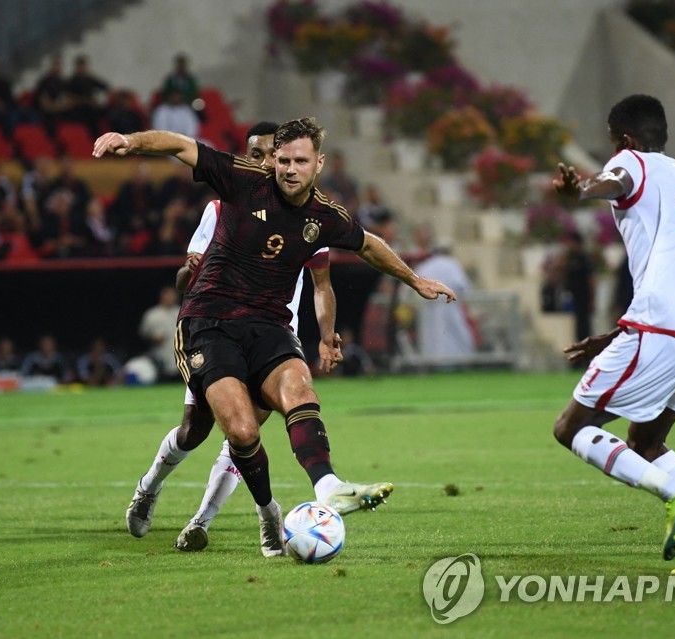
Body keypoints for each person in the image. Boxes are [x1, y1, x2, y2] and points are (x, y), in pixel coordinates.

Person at [94, 117, 455, 556]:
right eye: (282, 159)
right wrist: (130, 141)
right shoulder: (242, 181)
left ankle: (328, 486)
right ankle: (259, 510)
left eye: (299, 161)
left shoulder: (323, 216)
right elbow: (181, 145)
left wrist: (413, 279)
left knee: (299, 388)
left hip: (269, 326)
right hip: (210, 322)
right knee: (230, 431)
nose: (287, 168)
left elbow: (367, 244)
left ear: (318, 163)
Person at [125, 121, 338, 553]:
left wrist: (327, 336)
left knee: (244, 431)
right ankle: (149, 487)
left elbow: (321, 284)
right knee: (194, 429)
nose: (260, 163)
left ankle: (210, 519)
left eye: (267, 155)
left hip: (274, 335)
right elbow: (188, 273)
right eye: (255, 155)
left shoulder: (311, 216)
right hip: (217, 328)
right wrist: (193, 271)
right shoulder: (225, 206)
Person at [552, 94, 675, 575]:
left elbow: (614, 180)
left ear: (625, 141)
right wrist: (616, 335)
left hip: (662, 325)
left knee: (571, 428)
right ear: (666, 138)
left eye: (616, 144)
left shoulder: (630, 163)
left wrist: (579, 189)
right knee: (647, 443)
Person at [412, 235, 477, 363]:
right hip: (450, 308)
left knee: (432, 338)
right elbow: (464, 288)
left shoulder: (425, 265)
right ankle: (459, 363)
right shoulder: (452, 264)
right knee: (456, 338)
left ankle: (433, 364)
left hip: (429, 309)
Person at [138, 286, 181, 380]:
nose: (170, 297)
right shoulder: (152, 314)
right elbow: (142, 335)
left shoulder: (181, 311)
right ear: (162, 296)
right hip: (159, 359)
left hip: (180, 357)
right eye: (167, 295)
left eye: (172, 295)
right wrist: (152, 338)